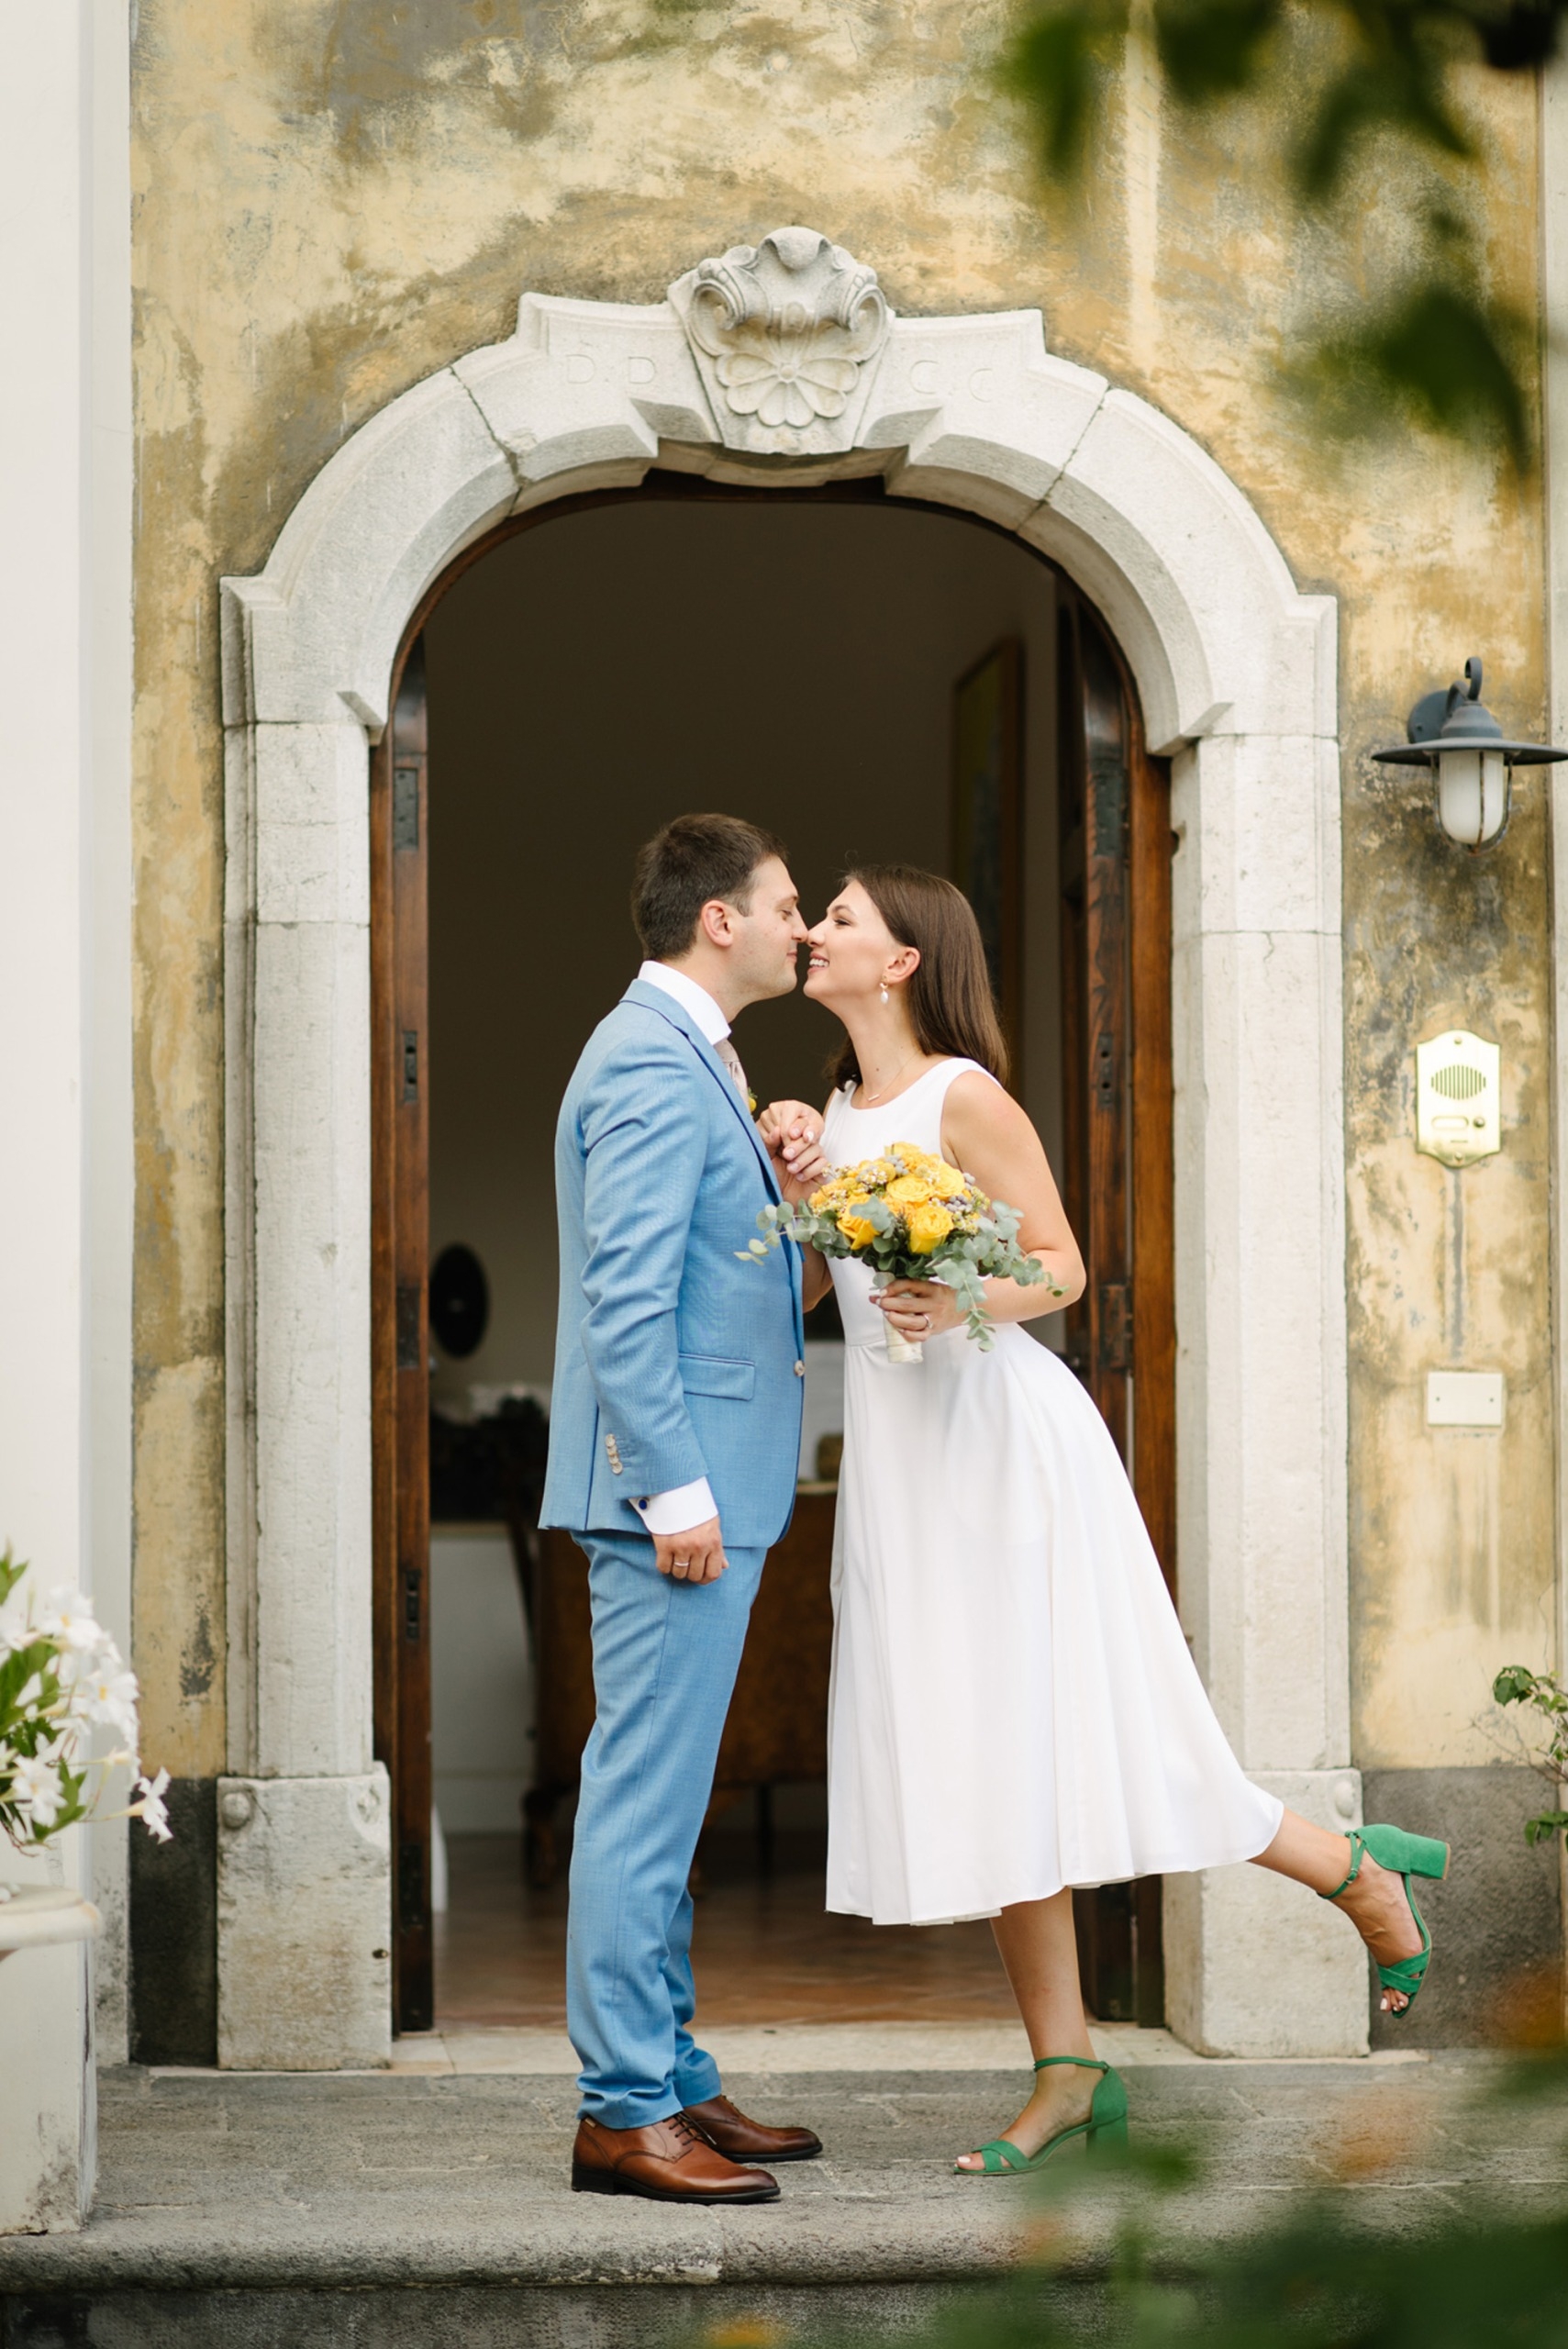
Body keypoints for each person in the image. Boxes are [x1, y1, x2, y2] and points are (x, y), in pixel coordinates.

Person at [760, 863, 1448, 2177]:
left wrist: (956, 1296)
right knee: (988, 1760)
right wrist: (793, 1164)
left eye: (840, 917)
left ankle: (1346, 1870)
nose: (816, 933)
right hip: (904, 1466)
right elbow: (812, 1297)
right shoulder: (841, 1105)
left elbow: (1064, 1268)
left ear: (902, 959)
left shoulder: (964, 1094)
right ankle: (1068, 2069)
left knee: (1074, 1732)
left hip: (1003, 1453)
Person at [540, 813, 825, 2205]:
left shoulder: (699, 1061)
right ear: (718, 919)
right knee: (639, 1805)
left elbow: (740, 1284)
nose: (801, 928)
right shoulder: (653, 1064)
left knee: (663, 1799)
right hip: (673, 1499)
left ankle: (674, 2077)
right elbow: (624, 1303)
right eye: (782, 907)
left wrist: (799, 1192)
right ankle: (619, 2111)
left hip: (699, 1487)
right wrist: (673, 1494)